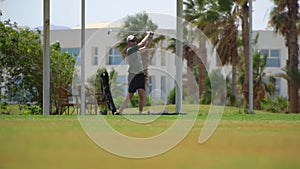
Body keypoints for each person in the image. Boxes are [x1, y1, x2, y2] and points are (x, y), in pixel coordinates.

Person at [115, 31, 153, 115]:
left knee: (142, 94)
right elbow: (142, 43)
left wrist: (150, 37)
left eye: (135, 40)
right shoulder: (130, 50)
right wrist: (148, 34)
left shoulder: (136, 50)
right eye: (132, 41)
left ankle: (140, 112)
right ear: (128, 42)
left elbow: (146, 46)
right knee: (130, 95)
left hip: (140, 74)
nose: (134, 42)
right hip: (133, 75)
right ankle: (120, 112)